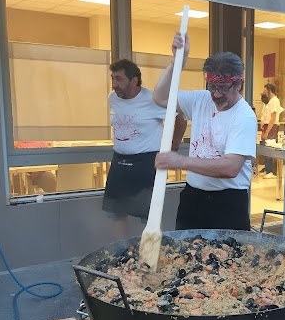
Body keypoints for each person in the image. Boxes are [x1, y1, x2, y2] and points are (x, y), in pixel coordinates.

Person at [153, 33, 257, 230]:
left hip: (227, 203)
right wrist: (177, 63)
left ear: (239, 83)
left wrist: (180, 161)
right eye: (212, 86)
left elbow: (230, 168)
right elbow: (159, 97)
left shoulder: (244, 117)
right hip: (193, 197)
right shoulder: (201, 100)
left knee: (229, 259)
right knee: (185, 256)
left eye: (223, 87)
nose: (216, 94)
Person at [103, 59, 187, 226]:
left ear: (134, 80)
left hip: (147, 162)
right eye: (113, 78)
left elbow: (181, 117)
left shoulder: (153, 99)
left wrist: (175, 144)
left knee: (150, 215)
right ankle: (124, 250)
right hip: (119, 160)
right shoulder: (113, 98)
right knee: (115, 212)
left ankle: (152, 251)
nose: (114, 84)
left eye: (119, 79)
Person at [259, 83, 283, 178]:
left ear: (269, 90)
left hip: (271, 127)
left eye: (265, 90)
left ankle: (270, 171)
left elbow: (272, 118)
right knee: (265, 147)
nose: (264, 92)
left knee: (270, 147)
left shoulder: (275, 101)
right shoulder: (269, 101)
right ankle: (267, 168)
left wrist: (267, 131)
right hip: (266, 126)